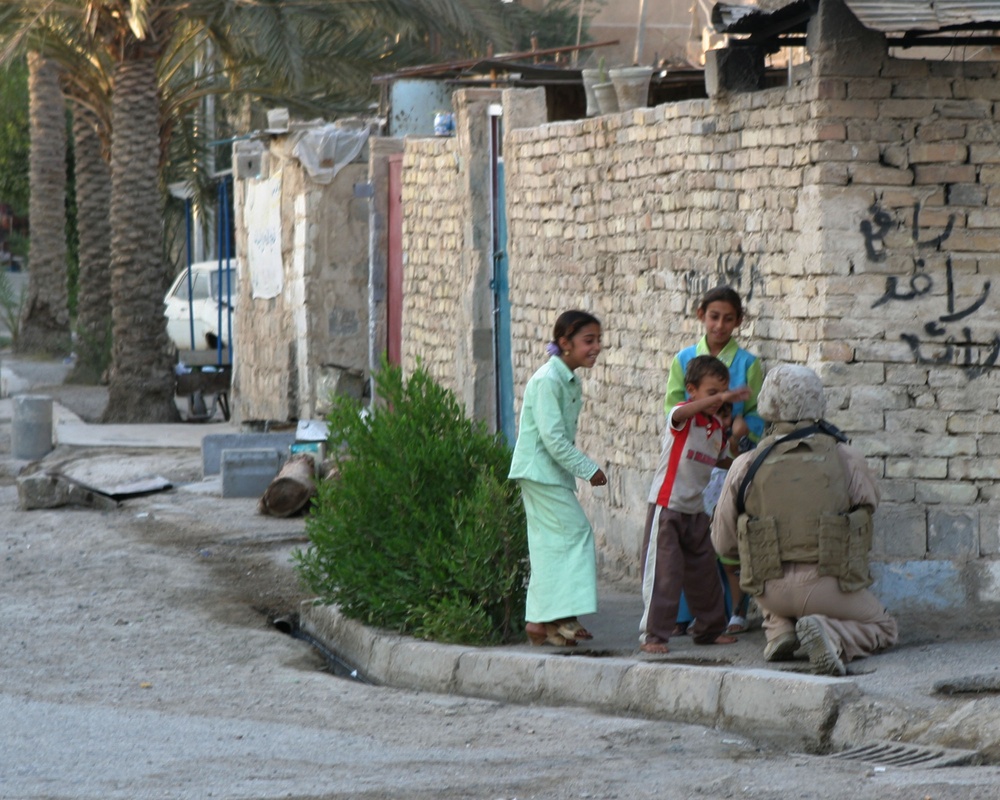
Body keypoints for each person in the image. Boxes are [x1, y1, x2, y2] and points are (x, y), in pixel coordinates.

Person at [711, 364, 899, 675]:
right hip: (828, 585)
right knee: (885, 626)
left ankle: (781, 630)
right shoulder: (845, 456)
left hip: (768, 589)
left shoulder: (746, 463)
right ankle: (830, 633)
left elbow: (723, 543)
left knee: (766, 573)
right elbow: (867, 507)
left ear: (767, 404)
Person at [665, 286, 763, 635]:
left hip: (729, 460)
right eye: (714, 317)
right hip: (692, 462)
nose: (720, 325)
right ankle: (682, 616)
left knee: (726, 537)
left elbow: (757, 414)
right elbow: (672, 408)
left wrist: (740, 426)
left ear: (739, 321)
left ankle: (732, 611)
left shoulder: (750, 364)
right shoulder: (683, 359)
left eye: (728, 319)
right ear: (700, 315)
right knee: (688, 539)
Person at [509, 310, 608, 647]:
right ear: (565, 343)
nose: (596, 347)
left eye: (598, 340)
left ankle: (540, 623)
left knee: (549, 545)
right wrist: (588, 469)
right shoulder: (548, 380)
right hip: (540, 471)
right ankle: (563, 615)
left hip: (545, 472)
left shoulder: (567, 378)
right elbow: (553, 440)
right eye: (588, 341)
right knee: (577, 533)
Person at [639, 355, 749, 654]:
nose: (718, 400)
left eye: (722, 392)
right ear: (692, 390)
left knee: (704, 573)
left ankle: (709, 630)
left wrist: (747, 463)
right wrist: (725, 397)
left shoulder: (715, 428)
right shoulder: (682, 418)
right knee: (665, 573)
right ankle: (654, 635)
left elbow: (723, 459)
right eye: (711, 393)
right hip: (668, 508)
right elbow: (684, 410)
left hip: (696, 511)